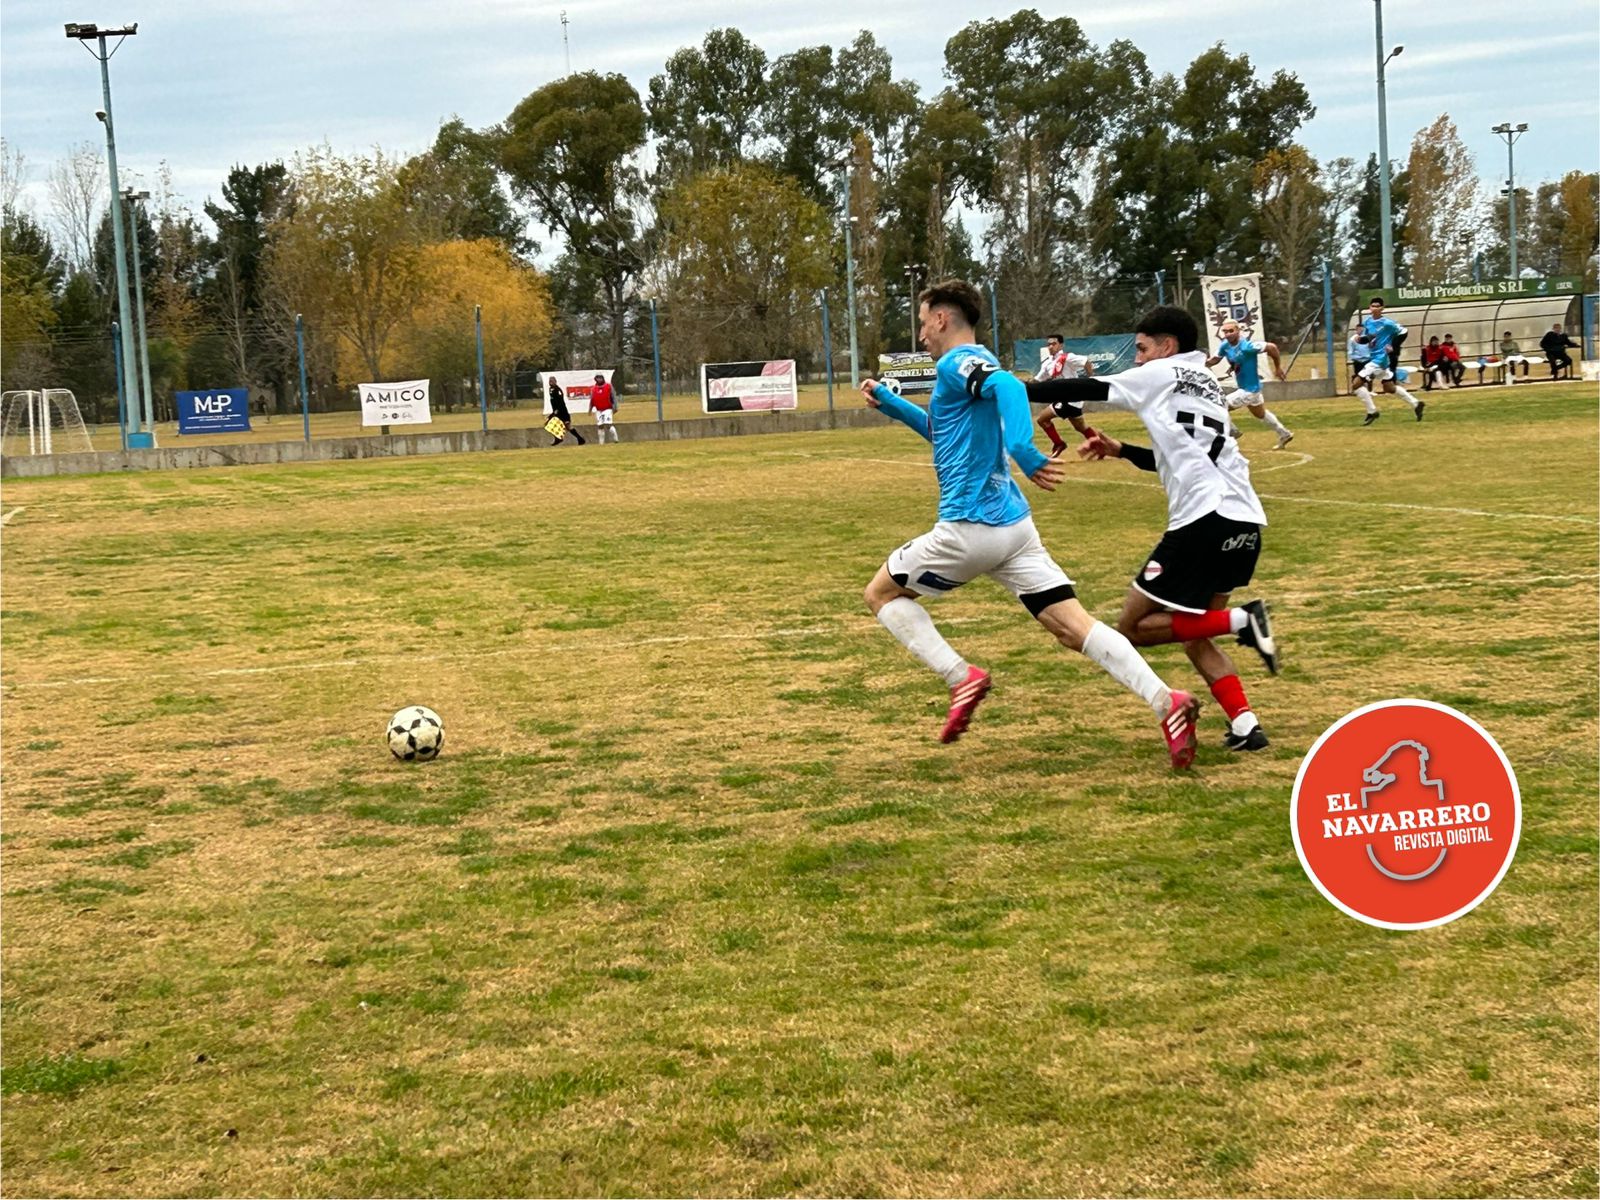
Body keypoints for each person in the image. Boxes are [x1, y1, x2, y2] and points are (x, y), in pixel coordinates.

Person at [860, 279, 1202, 768]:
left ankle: (961, 678)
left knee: (880, 594)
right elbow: (945, 433)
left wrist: (1023, 448)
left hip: (969, 527)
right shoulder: (971, 366)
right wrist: (892, 404)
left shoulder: (956, 363)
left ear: (941, 318)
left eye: (922, 323)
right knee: (1073, 626)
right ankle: (1166, 701)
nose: (920, 335)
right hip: (1015, 530)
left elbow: (1006, 386)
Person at [1028, 305, 1279, 753]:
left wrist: (1007, 387)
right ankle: (1246, 726)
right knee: (1194, 632)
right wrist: (1122, 450)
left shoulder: (1159, 373)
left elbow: (1084, 387)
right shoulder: (1205, 380)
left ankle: (1243, 619)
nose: (1137, 358)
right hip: (1244, 520)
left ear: (1167, 346)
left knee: (1132, 626)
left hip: (1202, 520)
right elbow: (1182, 455)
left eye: (1142, 349)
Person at [1205, 319, 1294, 449]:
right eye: (1225, 331)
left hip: (1250, 390)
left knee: (1218, 405)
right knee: (1260, 414)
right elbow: (1214, 360)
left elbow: (1272, 348)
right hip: (1248, 388)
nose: (1228, 334)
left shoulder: (1247, 346)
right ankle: (1284, 433)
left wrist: (1278, 368)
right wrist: (1198, 364)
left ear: (1238, 331)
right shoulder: (1225, 346)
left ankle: (1232, 431)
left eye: (1231, 331)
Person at [1355, 297, 1424, 423]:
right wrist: (1361, 340)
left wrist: (1393, 345)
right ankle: (1416, 403)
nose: (1375, 308)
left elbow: (1404, 331)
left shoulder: (1387, 323)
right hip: (1374, 357)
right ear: (1369, 307)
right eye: (1373, 306)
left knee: (1356, 384)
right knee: (1389, 387)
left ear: (1382, 308)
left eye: (1377, 306)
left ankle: (1372, 411)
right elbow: (1370, 337)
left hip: (1380, 359)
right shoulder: (1367, 322)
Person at [1032, 334, 1095, 457]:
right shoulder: (1048, 363)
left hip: (1070, 398)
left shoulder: (1067, 358)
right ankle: (1101, 445)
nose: (1051, 347)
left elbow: (1086, 362)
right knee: (1081, 427)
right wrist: (1021, 384)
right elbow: (1037, 380)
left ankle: (1059, 444)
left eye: (1054, 344)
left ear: (1061, 345)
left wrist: (1091, 379)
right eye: (1049, 344)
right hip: (1068, 399)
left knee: (1042, 419)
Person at [545, 377, 585, 446]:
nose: (550, 382)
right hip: (556, 411)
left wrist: (557, 410)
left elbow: (561, 402)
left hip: (562, 411)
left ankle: (580, 439)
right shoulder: (551, 389)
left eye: (552, 381)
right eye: (550, 381)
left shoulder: (558, 390)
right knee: (549, 423)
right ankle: (558, 438)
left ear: (555, 381)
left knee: (568, 426)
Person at [590, 374, 619, 443]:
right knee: (600, 425)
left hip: (607, 408)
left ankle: (615, 438)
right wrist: (590, 409)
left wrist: (615, 407)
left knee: (608, 424)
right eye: (597, 378)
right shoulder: (593, 389)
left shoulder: (608, 386)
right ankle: (601, 442)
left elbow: (613, 397)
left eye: (600, 378)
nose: (599, 379)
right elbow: (592, 400)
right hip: (599, 410)